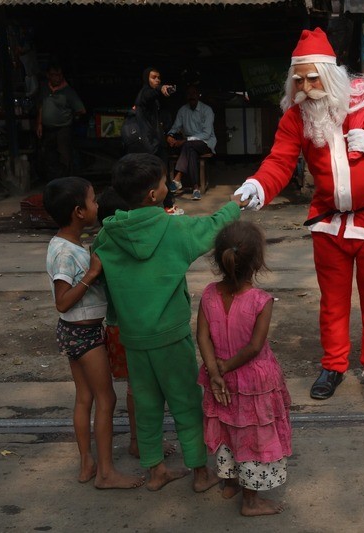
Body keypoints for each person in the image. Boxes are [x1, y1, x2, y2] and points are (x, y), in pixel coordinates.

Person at [233, 28, 364, 405]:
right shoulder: (296, 116)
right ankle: (334, 365)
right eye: (298, 79)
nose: (305, 86)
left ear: (330, 74)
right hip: (328, 222)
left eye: (312, 77)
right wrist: (258, 185)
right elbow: (280, 160)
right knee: (332, 301)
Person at [92, 152, 245, 492]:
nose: (168, 185)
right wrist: (234, 205)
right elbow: (211, 227)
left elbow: (103, 277)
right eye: (164, 182)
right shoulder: (174, 228)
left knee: (145, 407)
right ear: (153, 194)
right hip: (171, 337)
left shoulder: (108, 235)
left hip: (133, 338)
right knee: (187, 403)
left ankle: (156, 471)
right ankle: (200, 473)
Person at [43, 176, 144, 490]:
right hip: (83, 335)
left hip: (74, 333)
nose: (97, 205)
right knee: (106, 398)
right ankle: (105, 472)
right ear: (79, 212)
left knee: (85, 397)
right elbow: (62, 302)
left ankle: (87, 462)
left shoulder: (69, 243)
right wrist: (92, 273)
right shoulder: (65, 252)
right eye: (92, 201)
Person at [197, 220, 291, 516]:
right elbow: (254, 346)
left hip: (220, 377)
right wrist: (225, 367)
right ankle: (251, 501)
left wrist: (215, 372)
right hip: (252, 380)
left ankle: (229, 484)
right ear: (257, 262)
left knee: (227, 428)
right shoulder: (261, 301)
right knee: (253, 436)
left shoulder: (209, 293)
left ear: (220, 259)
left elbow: (202, 336)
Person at [96, 187, 176, 460]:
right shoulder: (128, 243)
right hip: (136, 327)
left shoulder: (103, 243)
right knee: (144, 390)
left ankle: (140, 440)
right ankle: (139, 442)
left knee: (138, 388)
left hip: (118, 326)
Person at [133, 67, 181, 214]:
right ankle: (151, 207)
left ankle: (167, 205)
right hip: (148, 143)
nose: (157, 80)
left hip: (157, 141)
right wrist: (161, 88)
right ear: (146, 78)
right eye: (154, 77)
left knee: (162, 174)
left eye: (159, 78)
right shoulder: (145, 94)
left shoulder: (154, 99)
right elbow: (150, 94)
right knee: (151, 175)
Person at [166, 84, 216, 201]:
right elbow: (176, 127)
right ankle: (196, 189)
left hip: (206, 143)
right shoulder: (183, 110)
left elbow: (206, 134)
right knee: (191, 151)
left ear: (198, 95)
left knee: (188, 145)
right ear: (186, 97)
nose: (191, 96)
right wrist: (170, 135)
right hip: (189, 146)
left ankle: (178, 178)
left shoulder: (207, 110)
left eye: (193, 94)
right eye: (189, 94)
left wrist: (185, 140)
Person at [36, 63, 86, 181]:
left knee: (64, 156)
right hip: (48, 129)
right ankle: (53, 180)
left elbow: (81, 110)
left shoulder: (68, 92)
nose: (57, 78)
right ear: (49, 75)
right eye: (54, 75)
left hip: (63, 129)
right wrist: (39, 124)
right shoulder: (44, 89)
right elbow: (40, 107)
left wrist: (69, 117)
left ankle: (67, 181)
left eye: (59, 75)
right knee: (49, 155)